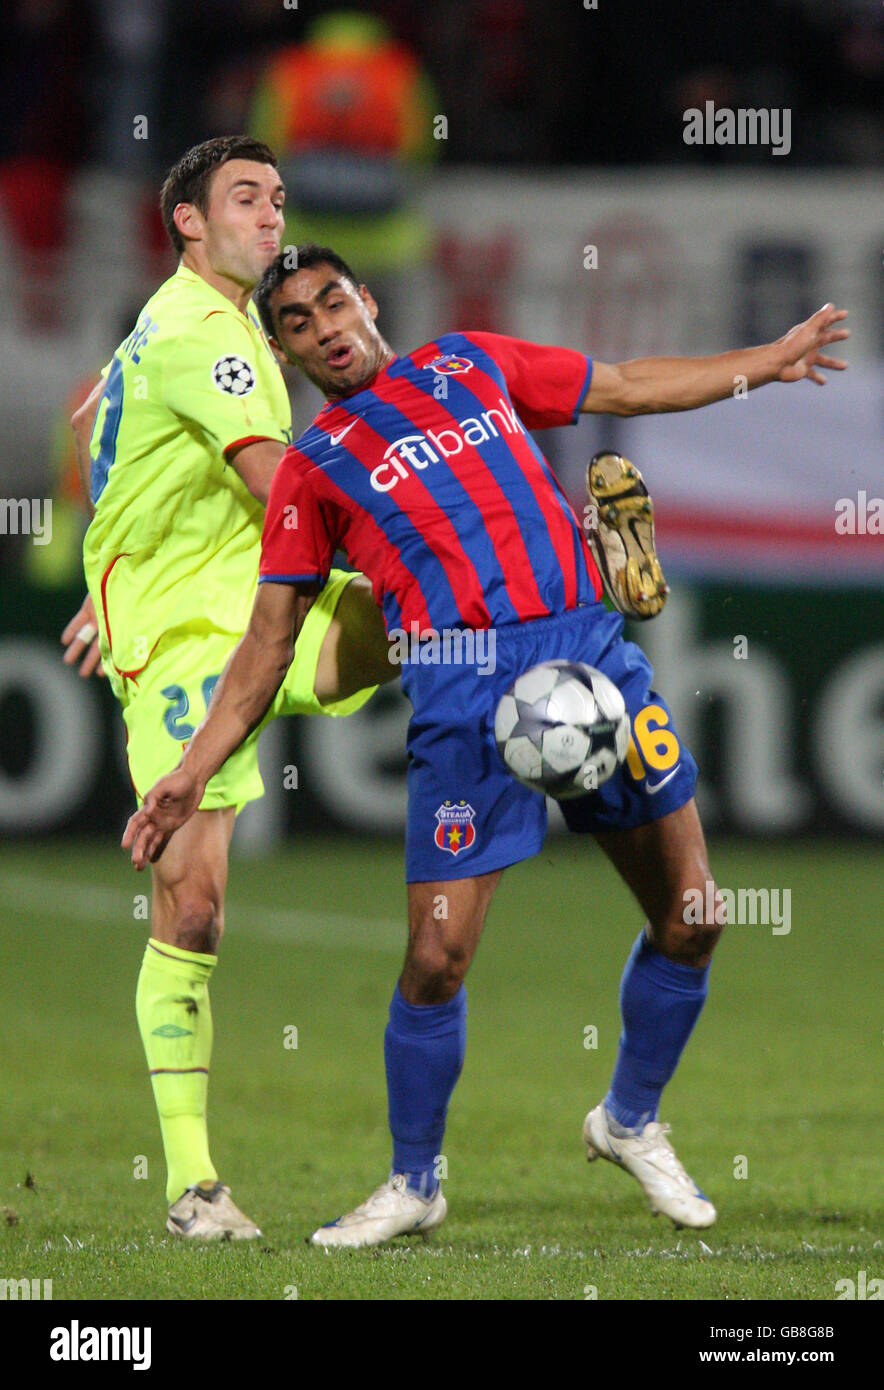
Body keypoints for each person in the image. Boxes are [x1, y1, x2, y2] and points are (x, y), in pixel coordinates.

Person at [123, 244, 848, 1248]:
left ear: (366, 298)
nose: (323, 325)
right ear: (285, 353)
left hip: (589, 660)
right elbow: (268, 642)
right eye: (293, 321)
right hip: (462, 703)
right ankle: (414, 1181)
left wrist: (761, 362)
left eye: (332, 300)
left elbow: (628, 384)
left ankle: (628, 1119)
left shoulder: (468, 363)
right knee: (434, 954)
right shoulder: (310, 468)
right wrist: (189, 772)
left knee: (690, 916)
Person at [63, 142, 395, 1241]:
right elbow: (277, 485)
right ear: (187, 224)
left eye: (279, 199)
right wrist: (123, 596)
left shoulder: (214, 322)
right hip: (181, 635)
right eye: (245, 200)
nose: (271, 216)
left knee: (422, 619)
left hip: (250, 598)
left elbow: (109, 431)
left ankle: (563, 586)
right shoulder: (206, 333)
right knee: (193, 905)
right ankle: (192, 1186)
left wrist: (111, 555)